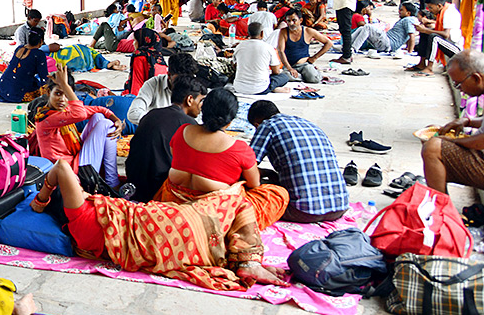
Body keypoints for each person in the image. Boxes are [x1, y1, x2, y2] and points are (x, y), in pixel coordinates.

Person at [29, 160, 286, 290]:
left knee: (213, 218)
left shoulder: (82, 231)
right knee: (235, 202)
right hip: (157, 220)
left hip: (159, 231)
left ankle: (238, 258)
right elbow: (61, 166)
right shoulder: (81, 215)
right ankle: (248, 262)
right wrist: (43, 197)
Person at [153, 88, 290, 228]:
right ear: (230, 121)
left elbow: (175, 155)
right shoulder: (239, 148)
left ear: (203, 110)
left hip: (174, 199)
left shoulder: (182, 131)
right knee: (278, 194)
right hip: (213, 213)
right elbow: (254, 184)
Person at [422, 52, 484, 194]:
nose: (460, 89)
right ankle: (441, 202)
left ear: (476, 78)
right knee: (433, 132)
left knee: (433, 147)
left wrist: (456, 141)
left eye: (459, 84)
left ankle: (441, 209)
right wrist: (467, 121)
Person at [247, 101, 349, 223]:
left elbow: (248, 164)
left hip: (302, 211)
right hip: (340, 207)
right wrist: (269, 173)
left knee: (248, 189)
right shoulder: (308, 124)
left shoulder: (267, 126)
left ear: (257, 124)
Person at [33, 68, 124, 187]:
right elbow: (79, 113)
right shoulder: (45, 118)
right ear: (48, 92)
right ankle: (113, 183)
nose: (62, 100)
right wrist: (65, 85)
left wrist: (116, 119)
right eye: (58, 93)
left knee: (98, 117)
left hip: (76, 159)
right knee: (105, 124)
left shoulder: (63, 111)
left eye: (66, 95)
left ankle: (110, 179)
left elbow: (98, 110)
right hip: (71, 172)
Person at [125, 75, 205, 202]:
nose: (201, 107)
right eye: (200, 101)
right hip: (157, 190)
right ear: (190, 100)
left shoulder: (152, 114)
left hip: (134, 183)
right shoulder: (189, 125)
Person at [127, 53, 199, 126]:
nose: (184, 83)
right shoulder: (154, 84)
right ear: (169, 75)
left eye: (188, 79)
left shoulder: (195, 87)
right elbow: (134, 113)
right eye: (179, 80)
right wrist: (162, 123)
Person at [410, 0, 464, 74]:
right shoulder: (443, 11)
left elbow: (446, 34)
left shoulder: (449, 12)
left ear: (439, 6)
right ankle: (422, 63)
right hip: (447, 43)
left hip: (455, 49)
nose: (430, 10)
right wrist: (425, 30)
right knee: (425, 33)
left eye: (431, 8)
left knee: (433, 37)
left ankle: (429, 68)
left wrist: (426, 30)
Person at [276, 9, 333, 84]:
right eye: (288, 21)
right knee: (285, 75)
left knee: (314, 79)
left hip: (305, 65)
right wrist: (289, 68)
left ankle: (311, 75)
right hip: (290, 66)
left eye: (294, 20)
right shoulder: (283, 32)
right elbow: (281, 51)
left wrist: (314, 58)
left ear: (301, 20)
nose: (291, 23)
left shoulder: (308, 31)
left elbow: (328, 43)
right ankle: (305, 76)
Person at [232, 23, 290, 95]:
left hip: (239, 87)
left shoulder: (239, 46)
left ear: (248, 33)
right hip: (260, 88)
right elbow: (276, 71)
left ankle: (271, 87)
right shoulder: (268, 47)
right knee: (284, 77)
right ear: (262, 33)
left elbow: (235, 66)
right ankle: (272, 87)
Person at [0, 29, 50, 103]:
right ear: (41, 41)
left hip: (2, 88)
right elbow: (44, 77)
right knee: (41, 89)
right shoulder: (38, 54)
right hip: (17, 94)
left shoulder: (19, 48)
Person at [351, 2, 418, 59]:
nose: (399, 12)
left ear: (408, 13)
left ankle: (353, 49)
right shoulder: (405, 20)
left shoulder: (408, 20)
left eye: (401, 10)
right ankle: (347, 45)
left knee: (368, 27)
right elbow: (408, 35)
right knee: (362, 28)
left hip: (388, 43)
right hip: (386, 42)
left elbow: (411, 35)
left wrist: (410, 51)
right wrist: (407, 47)